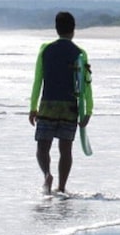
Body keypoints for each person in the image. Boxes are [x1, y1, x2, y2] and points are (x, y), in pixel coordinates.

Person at [29, 11, 93, 195]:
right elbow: (86, 84)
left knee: (42, 147)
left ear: (56, 29)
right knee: (65, 149)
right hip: (69, 107)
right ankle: (62, 187)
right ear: (73, 30)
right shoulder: (80, 53)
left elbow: (37, 81)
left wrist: (33, 107)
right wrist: (88, 110)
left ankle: (47, 175)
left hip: (48, 104)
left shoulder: (45, 50)